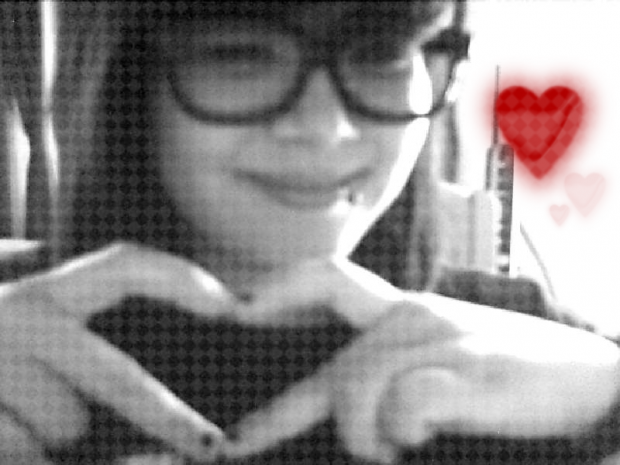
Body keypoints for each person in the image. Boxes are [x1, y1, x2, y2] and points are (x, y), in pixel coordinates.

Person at [0, 1, 620, 464]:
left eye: (380, 53)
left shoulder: (540, 357)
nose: (327, 129)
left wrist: (610, 408)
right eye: (240, 54)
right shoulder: (19, 330)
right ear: (128, 83)